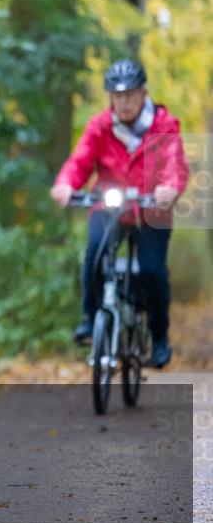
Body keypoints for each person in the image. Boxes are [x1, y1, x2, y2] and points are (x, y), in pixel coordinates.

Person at [51, 59, 189, 368]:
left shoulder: (163, 125)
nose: (124, 102)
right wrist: (65, 184)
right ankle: (91, 319)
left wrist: (169, 187)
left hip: (152, 209)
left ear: (144, 93)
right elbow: (81, 160)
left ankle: (159, 335)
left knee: (152, 271)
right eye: (118, 95)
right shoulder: (100, 126)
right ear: (110, 97)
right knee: (94, 255)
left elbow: (174, 162)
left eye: (130, 94)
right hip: (109, 207)